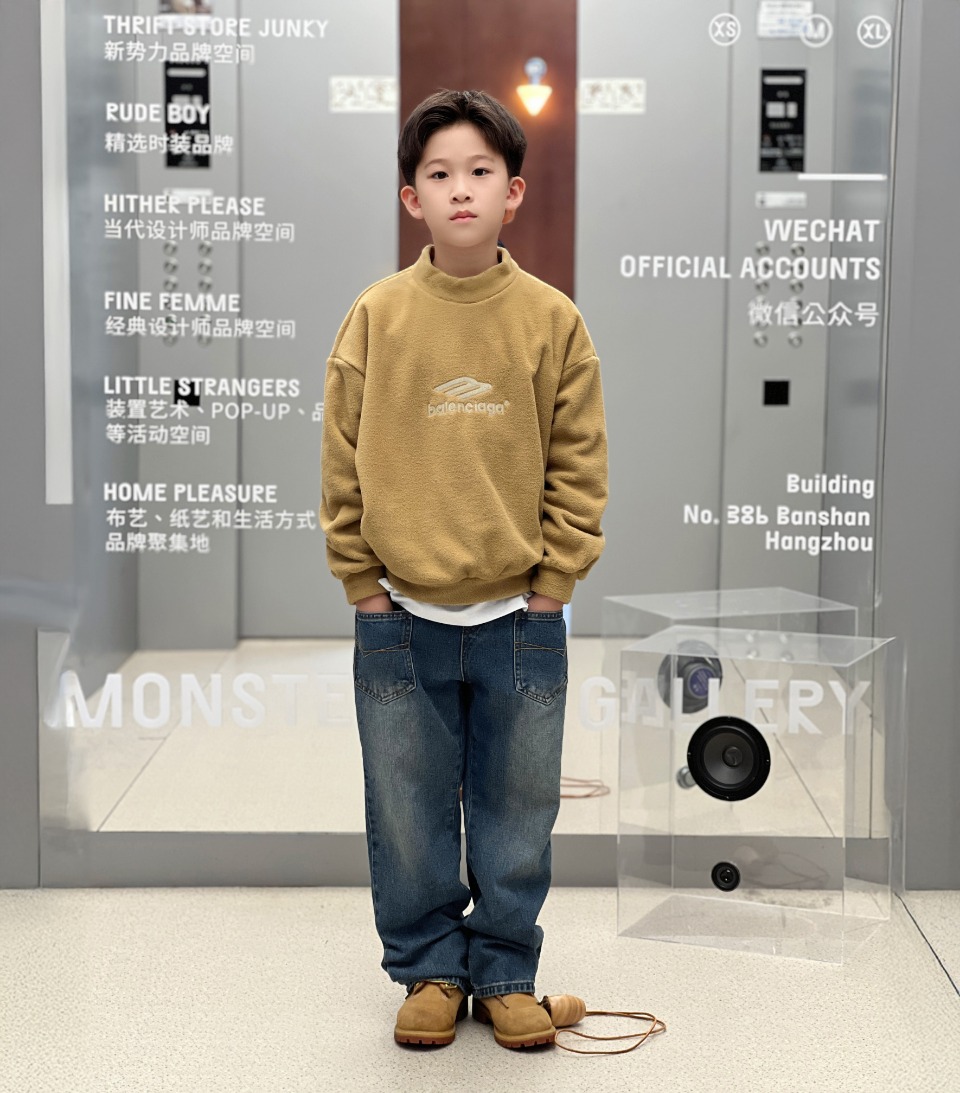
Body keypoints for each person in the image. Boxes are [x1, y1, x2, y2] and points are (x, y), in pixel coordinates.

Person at [319, 88, 608, 1049]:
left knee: (517, 807)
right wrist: (363, 586)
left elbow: (579, 463)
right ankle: (431, 971)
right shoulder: (378, 315)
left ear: (513, 191)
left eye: (481, 171)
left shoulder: (552, 320)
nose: (460, 189)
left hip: (521, 618)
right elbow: (340, 458)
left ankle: (508, 973)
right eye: (438, 174)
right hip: (399, 617)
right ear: (412, 198)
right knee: (406, 809)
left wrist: (553, 587)